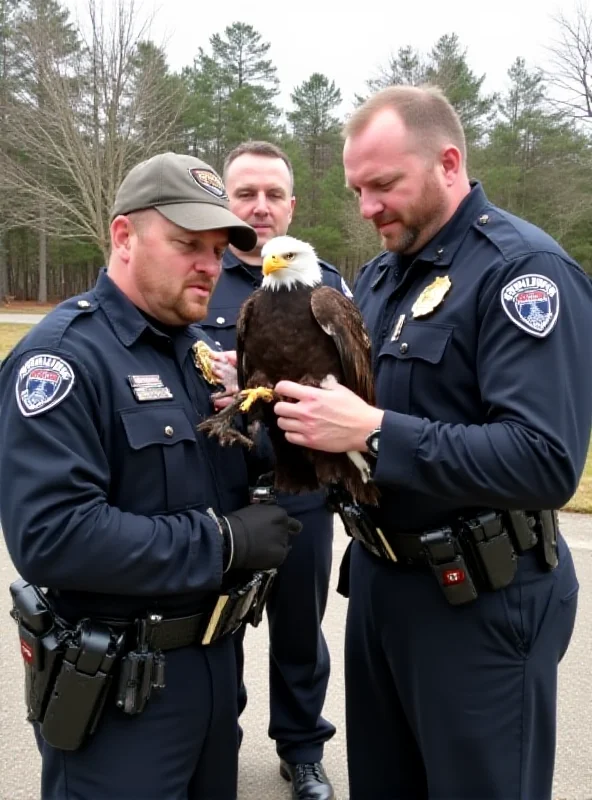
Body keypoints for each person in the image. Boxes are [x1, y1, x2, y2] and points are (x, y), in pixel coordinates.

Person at [272, 86, 592, 800]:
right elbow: (351, 418)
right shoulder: (383, 278)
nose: (366, 208)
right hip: (382, 587)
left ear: (448, 164)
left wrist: (376, 432)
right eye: (357, 188)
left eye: (383, 185)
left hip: (480, 599)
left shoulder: (521, 274)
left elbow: (545, 460)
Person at [0, 151, 302, 800]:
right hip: (119, 694)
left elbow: (250, 463)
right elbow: (52, 536)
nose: (209, 265)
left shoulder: (198, 358)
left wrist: (280, 427)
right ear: (123, 236)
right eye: (188, 244)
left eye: (219, 250)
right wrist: (224, 542)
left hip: (214, 672)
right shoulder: (63, 358)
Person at [201, 141, 345, 800]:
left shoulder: (327, 284)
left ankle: (302, 747)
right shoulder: (195, 273)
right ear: (225, 202)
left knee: (298, 627)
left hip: (302, 486)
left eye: (272, 195)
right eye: (244, 194)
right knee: (211, 626)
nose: (259, 207)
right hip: (216, 489)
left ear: (291, 203)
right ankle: (210, 745)